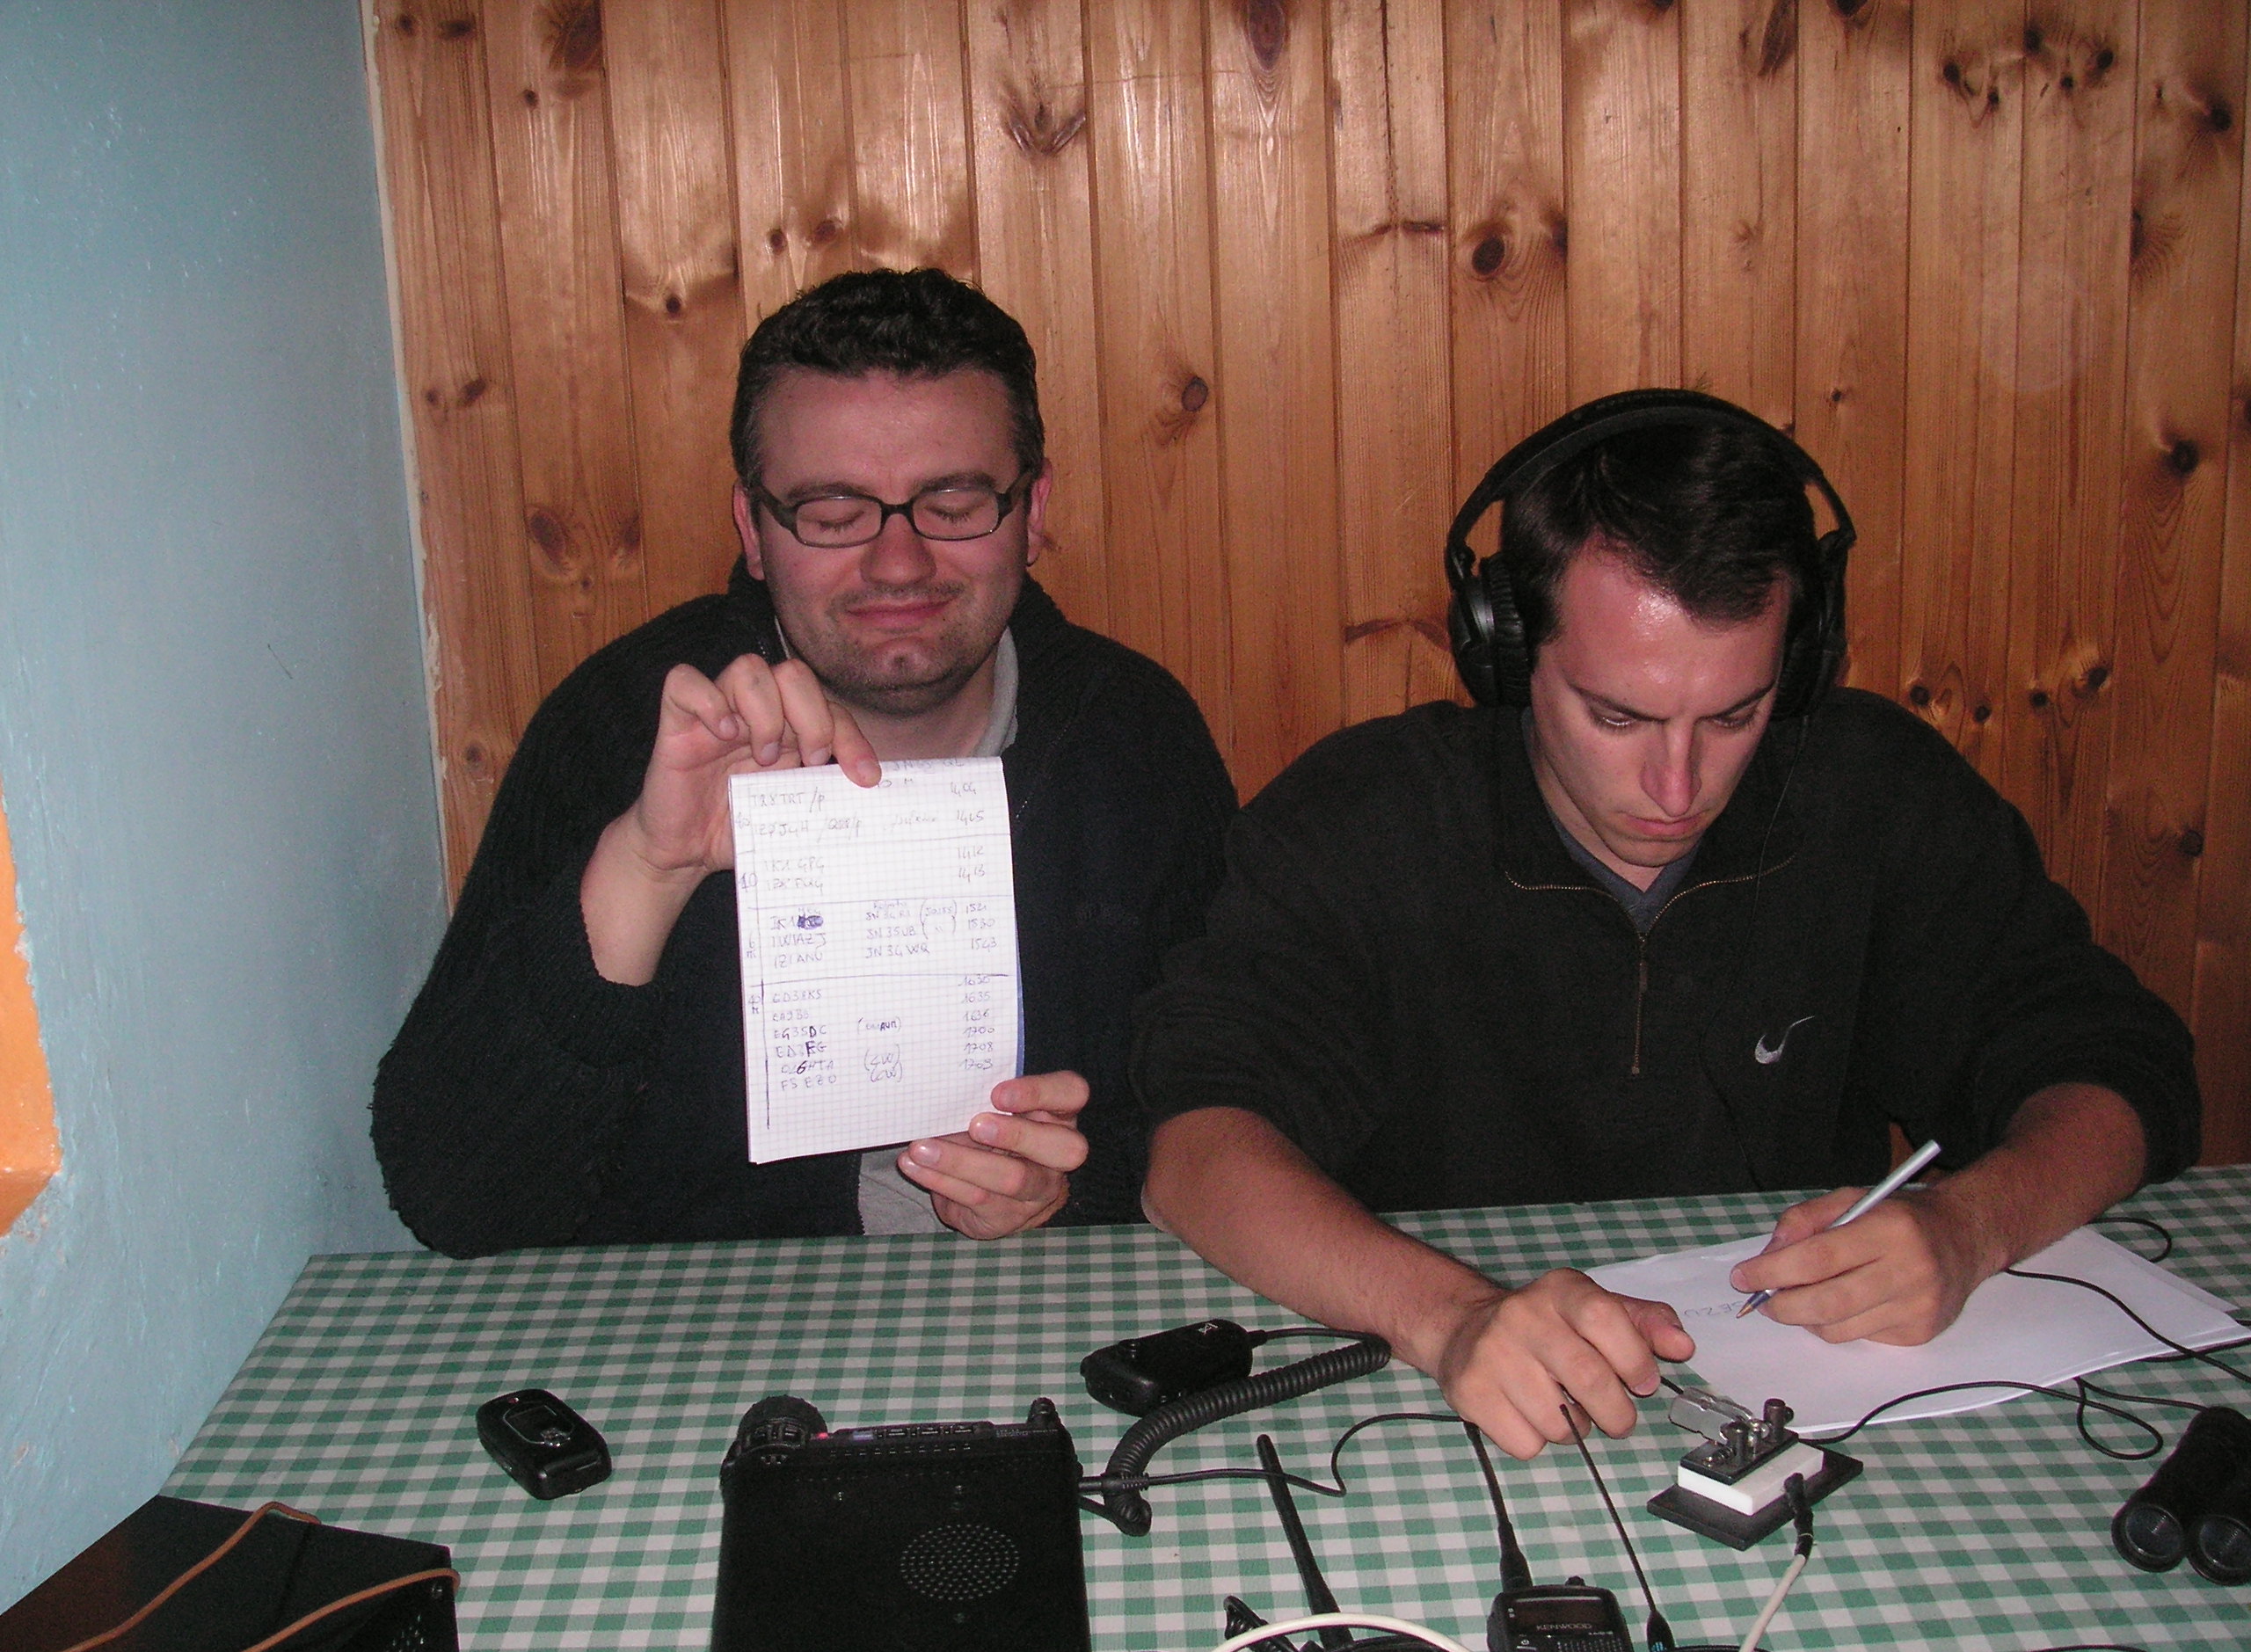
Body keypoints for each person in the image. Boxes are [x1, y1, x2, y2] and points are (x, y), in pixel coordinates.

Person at [1132, 390, 2199, 1461]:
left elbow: (2114, 1063)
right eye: (1617, 716)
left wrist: (1970, 1227)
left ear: (1801, 662)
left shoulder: (1874, 792)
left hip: (1812, 1416)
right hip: (1441, 1409)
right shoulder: (1364, 819)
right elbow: (1196, 1152)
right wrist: (1450, 1318)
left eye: (1734, 714)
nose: (1676, 786)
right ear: (1506, 650)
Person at [375, 268, 1235, 1255]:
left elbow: (1234, 1108)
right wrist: (650, 867)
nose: (899, 563)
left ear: (1031, 510)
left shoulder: (1132, 740)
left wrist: (1071, 1192)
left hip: (1032, 1307)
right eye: (832, 514)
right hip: (701, 1322)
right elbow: (456, 1200)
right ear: (754, 531)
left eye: (954, 503)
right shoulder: (623, 728)